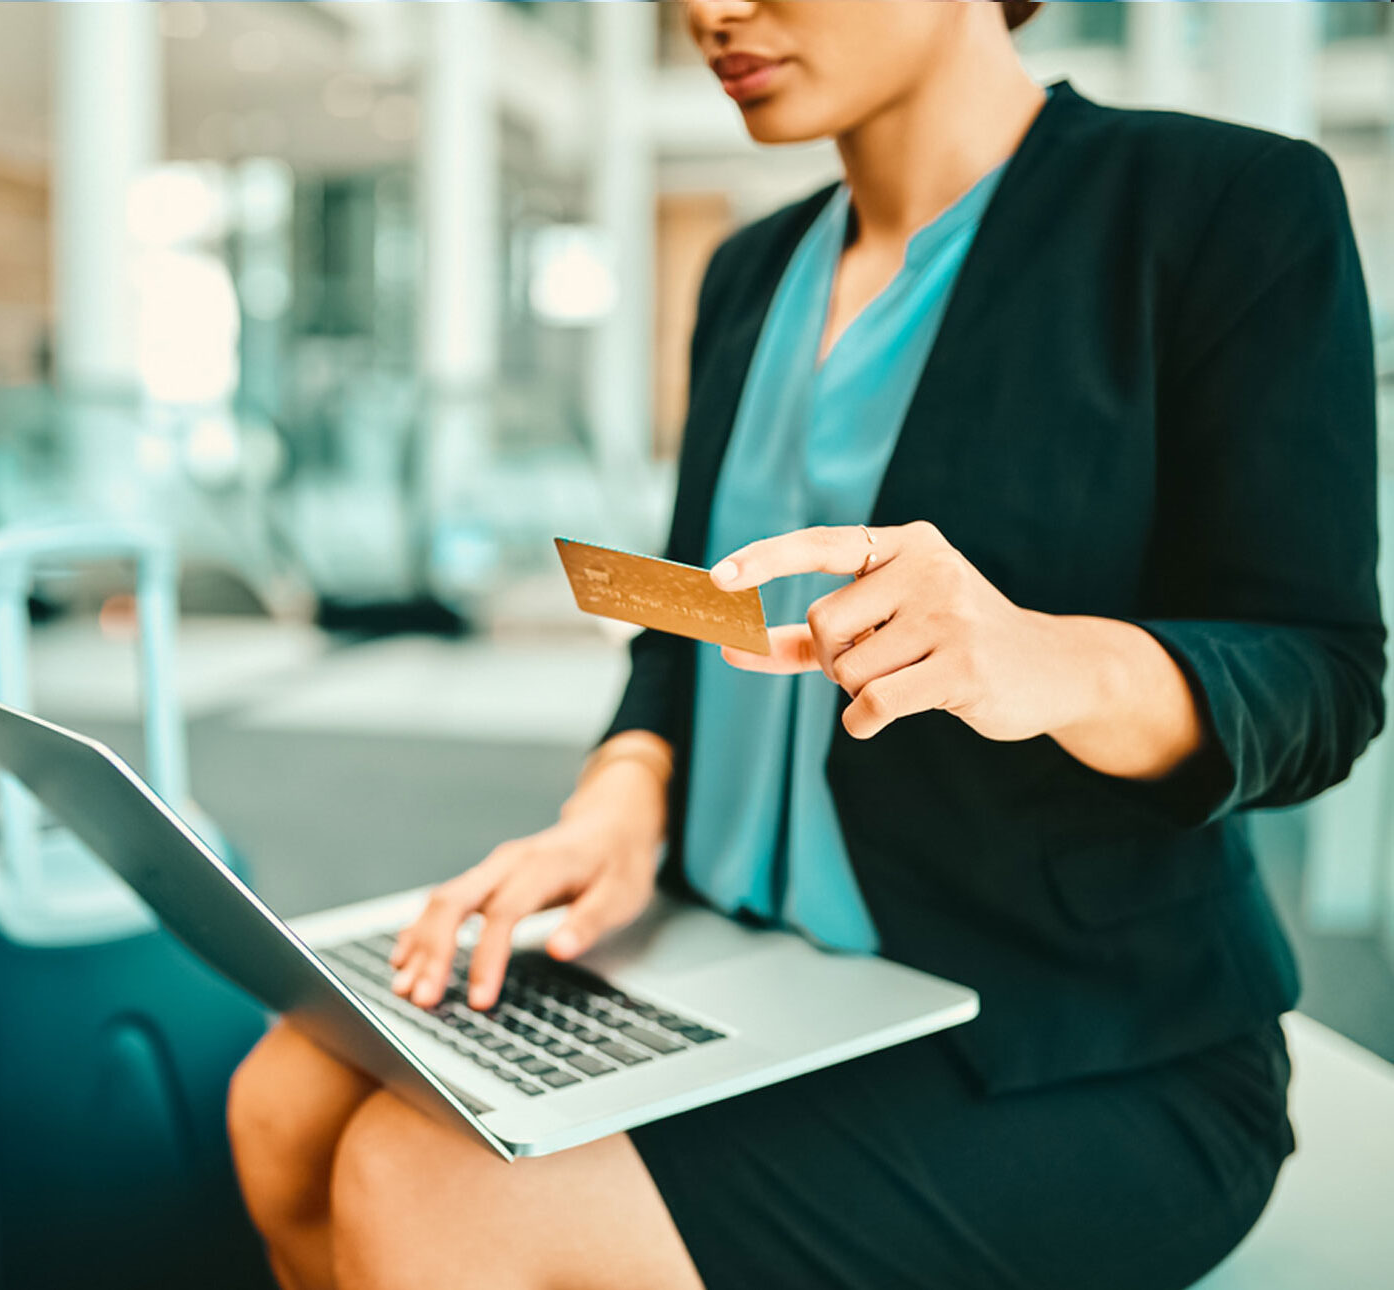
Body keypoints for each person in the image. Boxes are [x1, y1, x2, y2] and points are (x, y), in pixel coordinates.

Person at [225, 2, 1385, 1287]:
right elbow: (682, 636)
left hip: (1069, 1035)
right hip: (740, 969)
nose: (709, 12)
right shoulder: (750, 272)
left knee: (425, 1192)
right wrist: (619, 800)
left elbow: (1320, 676)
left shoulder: (1220, 209)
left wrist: (1049, 661)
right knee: (281, 1102)